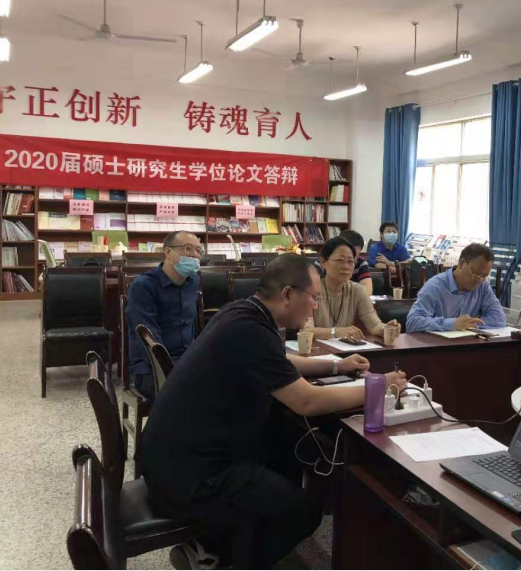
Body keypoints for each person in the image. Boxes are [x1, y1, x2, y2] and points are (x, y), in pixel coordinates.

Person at [141, 254, 407, 569]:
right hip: (189, 476)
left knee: (284, 442)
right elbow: (306, 401)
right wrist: (378, 386)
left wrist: (337, 364)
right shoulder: (251, 330)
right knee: (303, 512)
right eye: (313, 298)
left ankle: (220, 540)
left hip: (174, 456)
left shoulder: (242, 313)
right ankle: (220, 559)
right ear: (287, 294)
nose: (314, 307)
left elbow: (280, 360)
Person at [126, 230, 201, 401]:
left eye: (198, 250)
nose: (194, 255)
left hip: (187, 359)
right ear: (167, 252)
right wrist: (175, 369)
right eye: (188, 248)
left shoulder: (193, 282)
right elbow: (149, 339)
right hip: (152, 367)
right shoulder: (143, 286)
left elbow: (191, 327)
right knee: (196, 394)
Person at [303, 237, 397, 340]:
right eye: (340, 260)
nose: (346, 267)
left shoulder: (357, 290)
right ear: (323, 262)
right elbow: (306, 331)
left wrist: (385, 329)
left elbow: (373, 324)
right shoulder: (310, 291)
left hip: (344, 348)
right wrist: (335, 332)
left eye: (350, 261)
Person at [407, 243, 507, 332]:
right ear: (462, 263)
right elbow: (413, 322)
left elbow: (499, 319)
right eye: (476, 274)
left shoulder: (483, 286)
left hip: (467, 343)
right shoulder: (435, 286)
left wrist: (469, 324)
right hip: (435, 345)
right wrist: (453, 324)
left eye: (484, 276)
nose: (479, 280)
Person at [339, 229, 373, 296]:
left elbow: (368, 291)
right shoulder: (328, 262)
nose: (352, 261)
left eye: (355, 256)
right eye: (349, 256)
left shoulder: (360, 263)